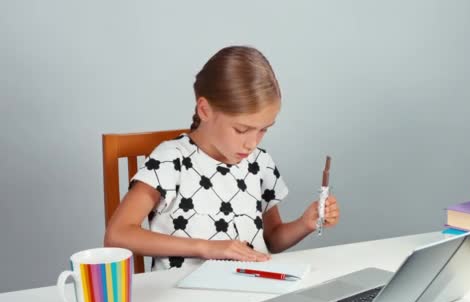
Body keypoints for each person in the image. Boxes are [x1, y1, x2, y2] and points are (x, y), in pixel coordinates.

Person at [104, 46, 340, 270]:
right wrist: (206, 248)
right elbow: (118, 235)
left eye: (263, 129)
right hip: (183, 299)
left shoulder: (259, 163)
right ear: (204, 110)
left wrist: (304, 224)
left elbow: (272, 240)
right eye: (241, 130)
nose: (252, 143)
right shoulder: (171, 160)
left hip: (249, 292)